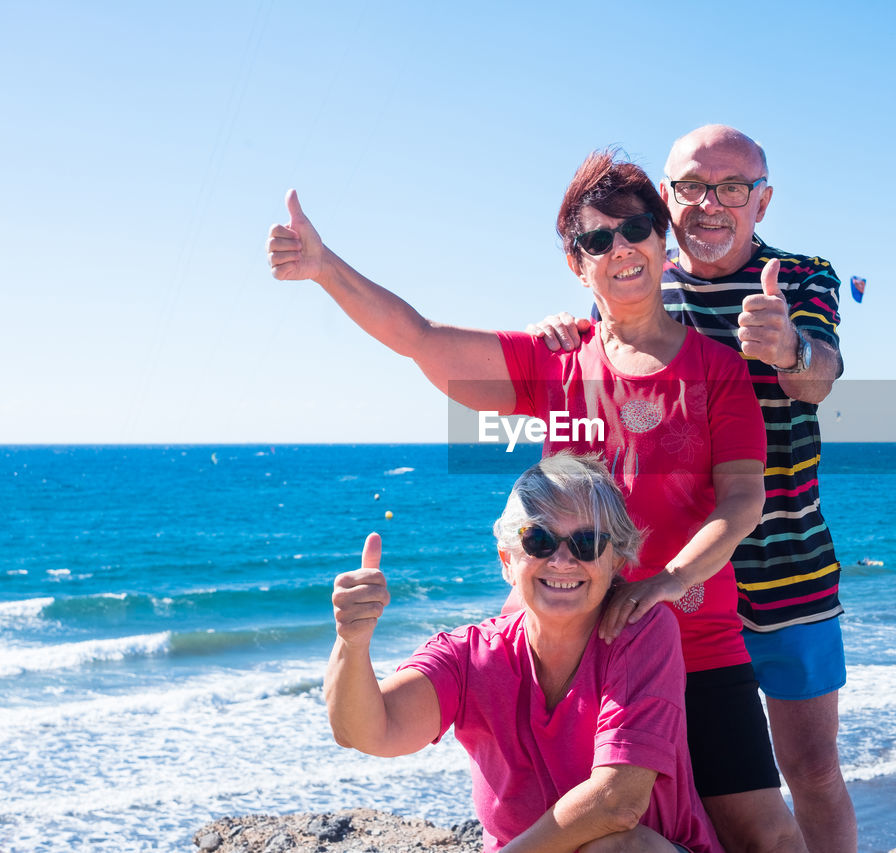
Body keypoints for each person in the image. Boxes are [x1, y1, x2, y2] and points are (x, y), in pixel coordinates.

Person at [267, 151, 808, 852]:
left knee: (767, 837)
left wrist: (671, 581)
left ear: (661, 240)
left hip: (694, 640)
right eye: (595, 239)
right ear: (575, 262)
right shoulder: (558, 359)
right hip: (569, 643)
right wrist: (324, 266)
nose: (619, 248)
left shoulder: (719, 372)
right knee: (603, 835)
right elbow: (423, 341)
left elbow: (741, 500)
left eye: (636, 228)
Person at [527, 125, 857, 853]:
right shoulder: (639, 268)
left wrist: (791, 348)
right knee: (702, 777)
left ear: (761, 201)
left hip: (785, 567)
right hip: (678, 592)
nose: (710, 204)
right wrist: (551, 330)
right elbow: (595, 362)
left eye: (732, 188)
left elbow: (822, 375)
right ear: (669, 201)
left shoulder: (800, 276)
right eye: (692, 189)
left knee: (810, 767)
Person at [325, 453, 723, 852]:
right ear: (507, 560)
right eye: (539, 540)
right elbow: (366, 732)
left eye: (587, 542)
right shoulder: (468, 656)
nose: (563, 560)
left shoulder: (641, 633)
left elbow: (617, 803)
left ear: (616, 559)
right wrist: (351, 644)